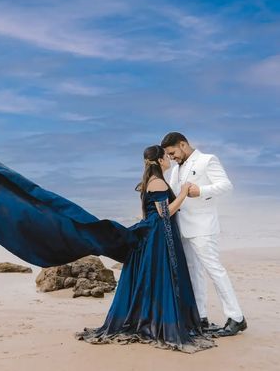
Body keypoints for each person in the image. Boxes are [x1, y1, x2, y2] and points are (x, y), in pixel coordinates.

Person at [76, 145, 215, 353]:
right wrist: (184, 193)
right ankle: (161, 322)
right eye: (166, 157)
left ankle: (156, 316)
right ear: (160, 161)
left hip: (155, 233)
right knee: (163, 278)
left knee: (157, 279)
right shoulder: (157, 182)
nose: (169, 160)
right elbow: (164, 213)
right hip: (158, 235)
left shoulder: (151, 181)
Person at [161, 132, 246, 337]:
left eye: (173, 153)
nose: (172, 158)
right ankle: (200, 317)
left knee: (215, 270)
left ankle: (236, 318)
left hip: (204, 228)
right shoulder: (175, 170)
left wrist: (202, 190)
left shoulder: (208, 160)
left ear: (183, 144)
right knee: (193, 273)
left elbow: (226, 185)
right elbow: (173, 194)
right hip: (183, 227)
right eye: (169, 156)